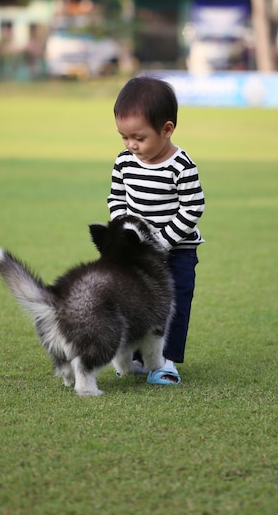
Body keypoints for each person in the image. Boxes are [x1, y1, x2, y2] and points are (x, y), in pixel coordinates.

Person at [107, 76, 205, 385]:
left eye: (138, 137)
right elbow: (116, 198)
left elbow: (193, 207)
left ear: (166, 130)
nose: (131, 145)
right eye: (124, 136)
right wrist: (123, 230)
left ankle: (167, 362)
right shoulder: (125, 161)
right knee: (136, 303)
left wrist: (162, 241)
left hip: (176, 251)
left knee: (174, 304)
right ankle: (137, 356)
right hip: (137, 254)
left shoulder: (181, 165)